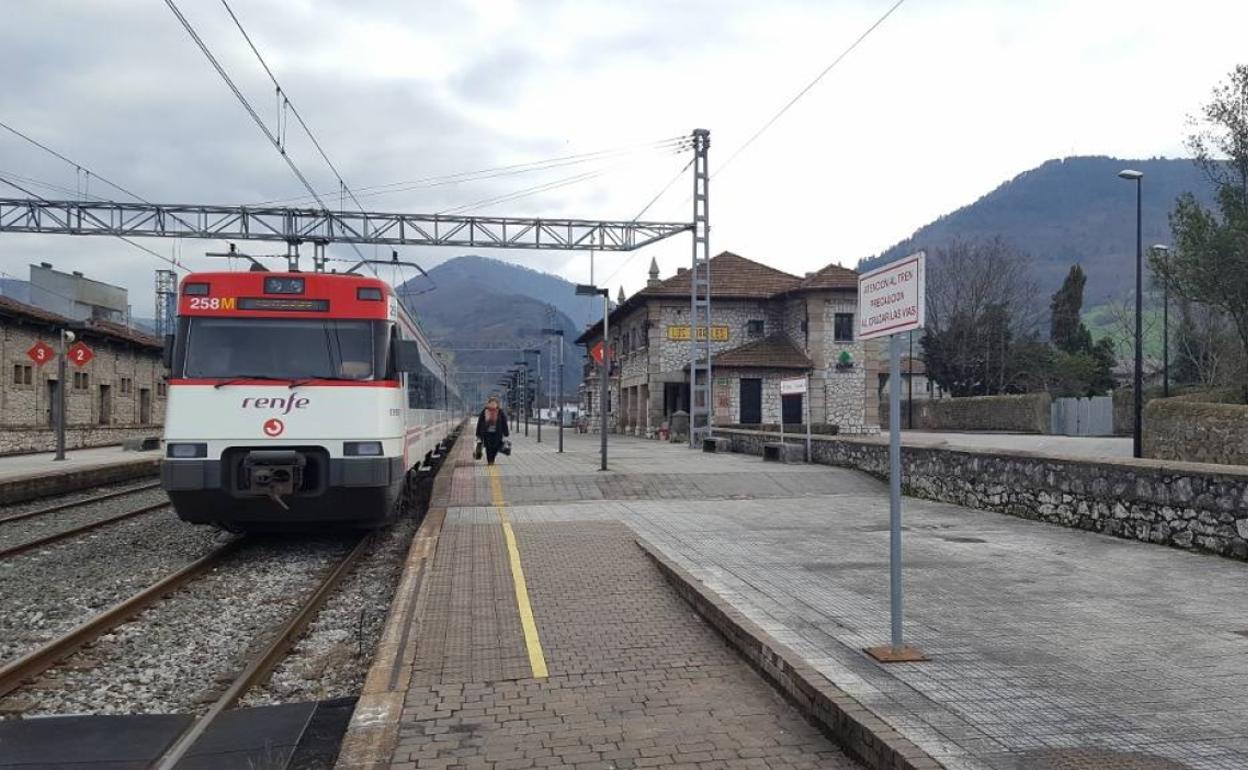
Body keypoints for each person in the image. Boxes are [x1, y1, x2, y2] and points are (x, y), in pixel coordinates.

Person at [475, 397, 510, 465]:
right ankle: (490, 461)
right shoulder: (484, 411)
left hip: (497, 433)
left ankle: (492, 457)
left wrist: (506, 432)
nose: (493, 404)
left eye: (494, 403)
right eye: (491, 403)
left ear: (497, 404)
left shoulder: (500, 412)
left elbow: (504, 422)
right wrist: (478, 433)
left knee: (495, 447)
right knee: (488, 447)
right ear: (488, 403)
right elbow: (480, 422)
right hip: (486, 433)